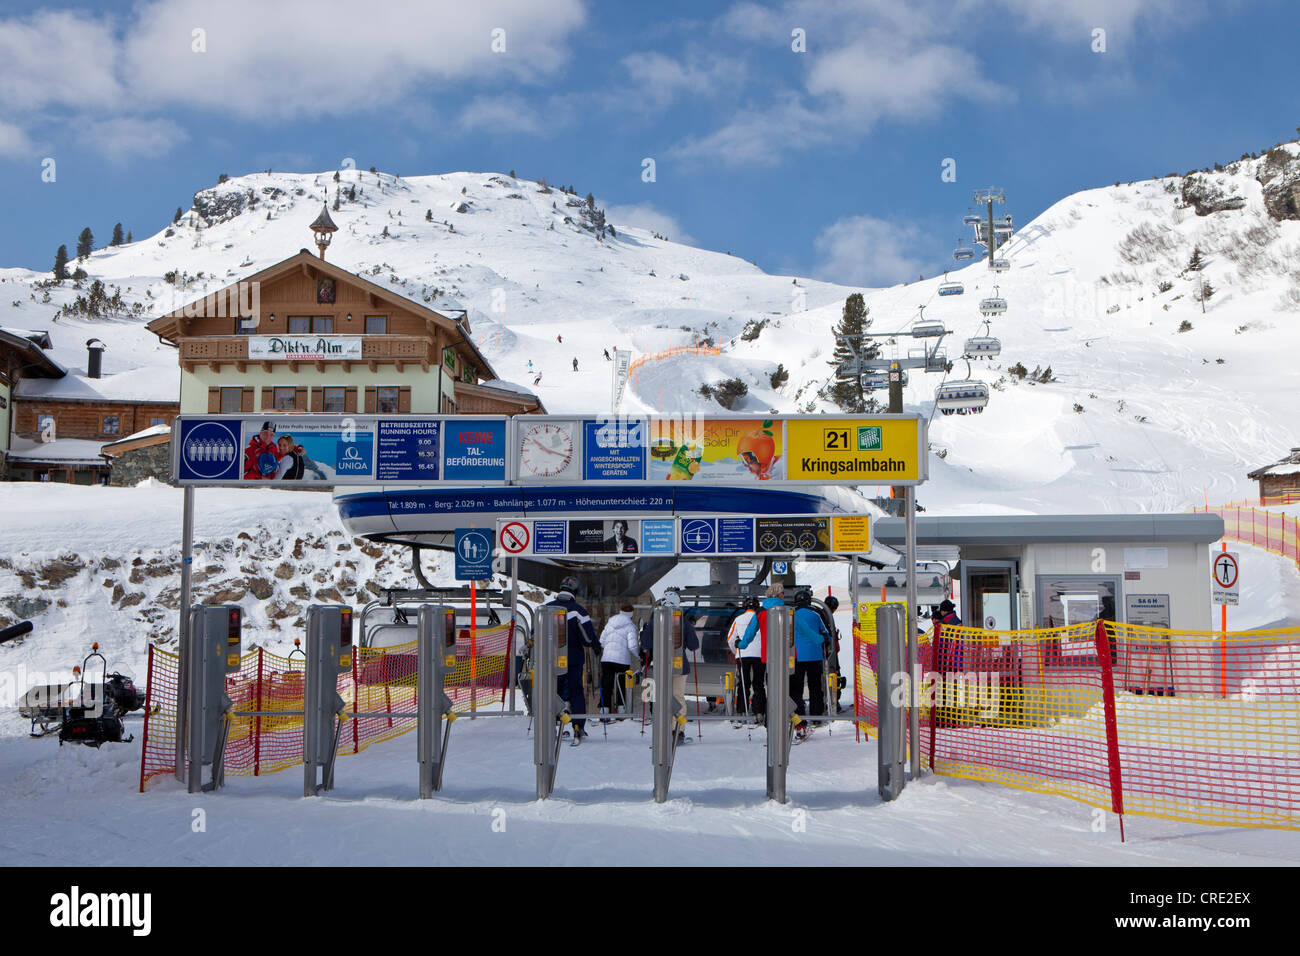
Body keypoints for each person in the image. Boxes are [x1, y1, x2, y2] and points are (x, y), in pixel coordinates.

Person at [639, 589, 700, 743]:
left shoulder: (655, 619)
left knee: (660, 697)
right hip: (680, 666)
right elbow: (694, 645)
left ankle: (663, 729)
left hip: (659, 665)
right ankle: (678, 731)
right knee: (678, 696)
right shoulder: (683, 621)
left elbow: (645, 643)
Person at [542, 576, 597, 744]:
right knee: (576, 693)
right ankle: (578, 726)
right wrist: (596, 646)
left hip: (550, 660)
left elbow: (536, 634)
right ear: (575, 591)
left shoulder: (546, 609)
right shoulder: (579, 611)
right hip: (573, 660)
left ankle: (550, 726)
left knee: (552, 692)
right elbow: (588, 639)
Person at [738, 582, 786, 725]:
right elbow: (801, 627)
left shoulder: (761, 611)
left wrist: (741, 644)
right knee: (784, 687)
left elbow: (750, 632)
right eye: (782, 593)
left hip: (768, 656)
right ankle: (784, 717)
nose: (784, 595)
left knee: (769, 685)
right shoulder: (785, 609)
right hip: (785, 655)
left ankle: (770, 718)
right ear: (779, 595)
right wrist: (819, 638)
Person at [790, 589, 831, 738]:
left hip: (795, 657)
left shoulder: (791, 615)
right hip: (814, 656)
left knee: (796, 688)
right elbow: (826, 633)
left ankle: (799, 718)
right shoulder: (816, 614)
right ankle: (816, 716)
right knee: (815, 686)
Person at [597, 603, 640, 719]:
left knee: (607, 684)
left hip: (606, 659)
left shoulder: (609, 624)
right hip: (622, 660)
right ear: (631, 614)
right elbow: (632, 646)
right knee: (621, 683)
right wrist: (638, 656)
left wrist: (608, 649)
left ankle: (604, 710)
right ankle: (621, 710)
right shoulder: (630, 626)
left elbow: (601, 641)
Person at [727, 596, 761, 718]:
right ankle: (759, 711)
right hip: (760, 655)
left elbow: (730, 639)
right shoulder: (761, 617)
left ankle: (742, 710)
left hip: (743, 654)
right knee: (759, 683)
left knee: (743, 683)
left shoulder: (738, 619)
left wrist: (736, 651)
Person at [823, 594, 846, 712]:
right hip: (829, 652)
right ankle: (834, 702)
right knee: (834, 675)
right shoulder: (826, 617)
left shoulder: (822, 614)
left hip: (827, 651)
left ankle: (830, 701)